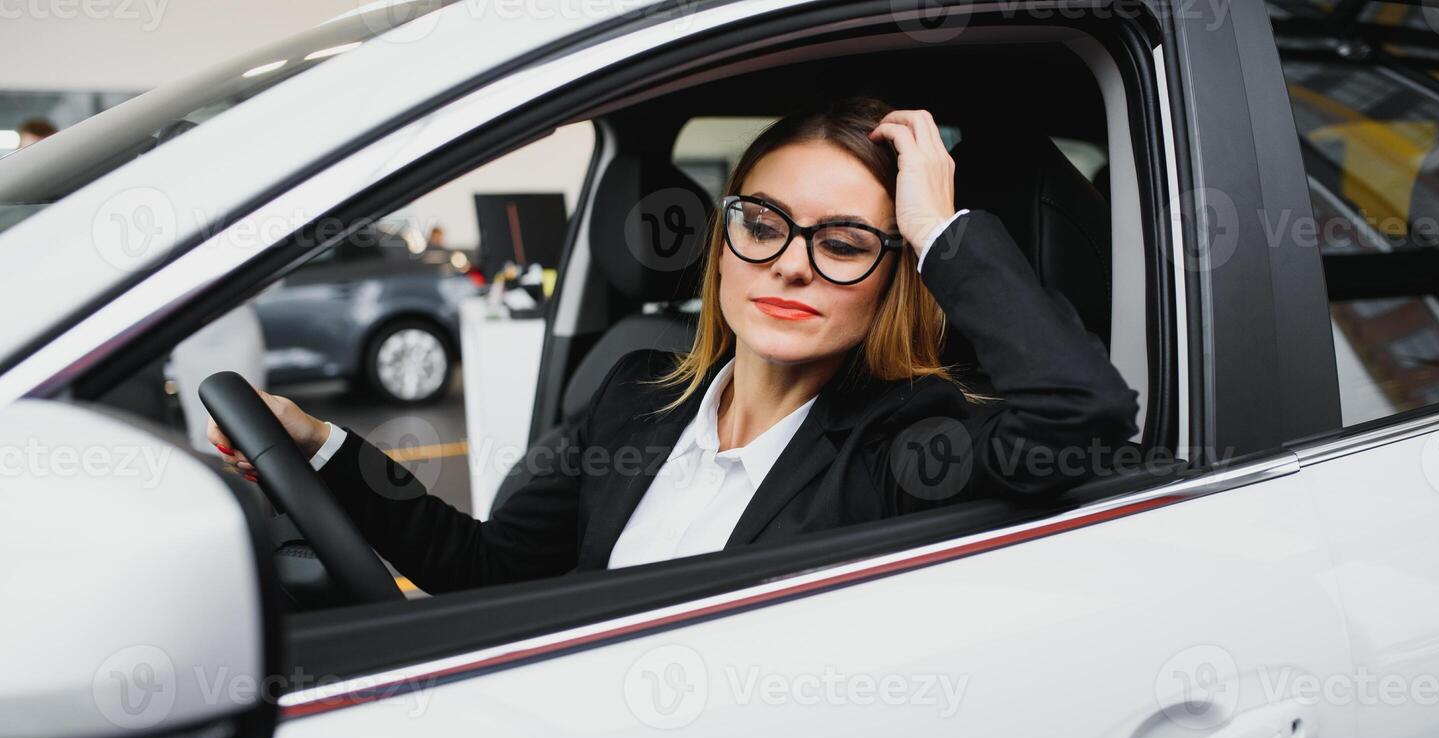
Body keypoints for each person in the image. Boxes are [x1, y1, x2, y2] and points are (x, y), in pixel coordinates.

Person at [210, 97, 1140, 595]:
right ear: (725, 237)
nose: (791, 267)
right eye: (764, 223)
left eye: (847, 243)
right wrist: (319, 446)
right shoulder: (635, 395)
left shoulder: (908, 439)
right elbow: (491, 575)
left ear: (897, 274)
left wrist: (941, 228)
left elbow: (1082, 412)